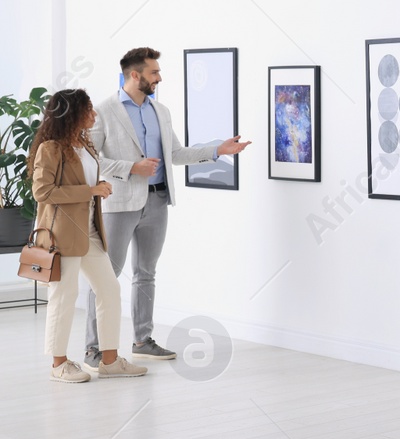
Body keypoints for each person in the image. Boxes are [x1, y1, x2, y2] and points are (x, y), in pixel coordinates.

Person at [84, 47, 250, 364]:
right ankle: (94, 347)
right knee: (105, 276)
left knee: (146, 273)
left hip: (158, 200)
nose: (159, 77)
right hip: (120, 203)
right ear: (136, 75)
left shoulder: (160, 110)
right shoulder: (104, 110)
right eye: (154, 72)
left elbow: (176, 154)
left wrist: (218, 149)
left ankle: (142, 339)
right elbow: (93, 160)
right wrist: (132, 167)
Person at [29, 89, 147, 382]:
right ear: (73, 113)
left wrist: (99, 185)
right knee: (64, 296)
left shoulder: (84, 144)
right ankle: (59, 364)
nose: (94, 114)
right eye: (89, 109)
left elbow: (85, 181)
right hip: (62, 235)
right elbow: (42, 191)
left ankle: (109, 360)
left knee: (109, 290)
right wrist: (90, 191)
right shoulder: (51, 148)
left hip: (91, 232)